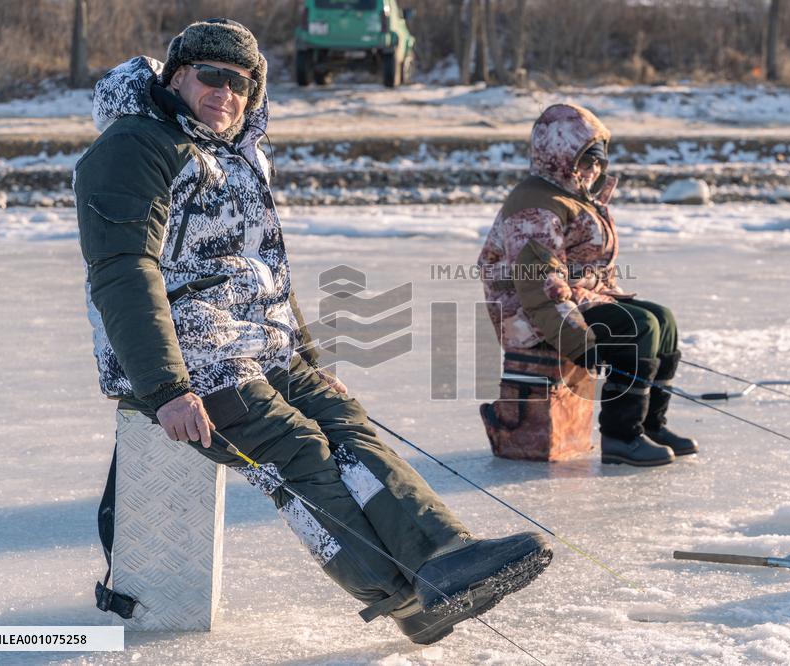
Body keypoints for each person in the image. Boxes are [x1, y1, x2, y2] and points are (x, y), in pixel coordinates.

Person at [74, 18, 550, 645]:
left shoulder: (238, 156)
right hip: (188, 355)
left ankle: (442, 554)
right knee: (295, 446)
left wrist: (306, 353)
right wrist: (165, 388)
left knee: (346, 422)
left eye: (242, 84)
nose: (226, 93)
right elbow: (123, 270)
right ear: (176, 77)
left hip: (261, 345)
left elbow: (266, 268)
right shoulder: (138, 146)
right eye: (211, 77)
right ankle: (403, 598)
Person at [478, 103, 698, 467]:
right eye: (585, 160)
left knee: (663, 319)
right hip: (528, 318)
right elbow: (538, 285)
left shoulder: (571, 195)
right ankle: (621, 436)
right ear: (559, 157)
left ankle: (650, 424)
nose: (593, 169)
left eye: (597, 160)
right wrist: (575, 340)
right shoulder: (535, 206)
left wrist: (610, 300)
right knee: (637, 327)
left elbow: (589, 269)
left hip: (573, 300)